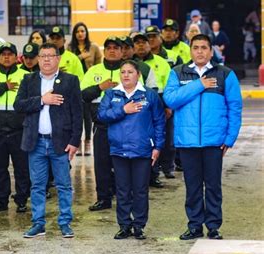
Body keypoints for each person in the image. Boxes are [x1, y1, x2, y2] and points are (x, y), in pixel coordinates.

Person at [163, 34, 242, 240]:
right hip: (188, 141)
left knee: (213, 186)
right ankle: (195, 226)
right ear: (190, 50)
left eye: (204, 47)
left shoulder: (225, 74)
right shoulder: (178, 73)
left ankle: (213, 226)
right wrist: (199, 85)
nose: (200, 51)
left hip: (214, 141)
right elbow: (170, 99)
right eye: (196, 47)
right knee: (193, 187)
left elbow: (235, 107)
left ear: (211, 50)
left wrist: (230, 138)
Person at [14, 43, 82, 238]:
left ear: (58, 58)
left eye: (50, 56)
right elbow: (18, 105)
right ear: (37, 58)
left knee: (63, 184)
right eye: (42, 55)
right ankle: (38, 223)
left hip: (59, 142)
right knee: (36, 185)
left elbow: (77, 113)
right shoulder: (29, 80)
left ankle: (65, 222)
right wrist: (43, 100)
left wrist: (75, 141)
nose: (46, 59)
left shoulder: (70, 81)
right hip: (35, 142)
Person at [98, 60, 165, 240]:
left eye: (130, 72)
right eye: (123, 72)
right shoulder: (111, 94)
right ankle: (124, 225)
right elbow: (102, 115)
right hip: (118, 151)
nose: (126, 75)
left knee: (140, 189)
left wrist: (158, 147)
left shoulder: (149, 95)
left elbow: (159, 122)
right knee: (122, 190)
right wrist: (123, 110)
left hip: (142, 150)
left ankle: (139, 226)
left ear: (138, 75)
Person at [0, 43, 30, 213]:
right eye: (3, 54)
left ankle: (22, 199)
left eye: (10, 54)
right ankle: (1, 200)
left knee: (22, 167)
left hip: (19, 130)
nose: (6, 57)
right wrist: (3, 86)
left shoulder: (26, 76)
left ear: (16, 57)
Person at [81, 36, 123, 211]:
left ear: (122, 51)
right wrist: (100, 87)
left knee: (123, 164)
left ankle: (124, 199)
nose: (112, 50)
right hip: (101, 126)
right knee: (102, 164)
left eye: (116, 47)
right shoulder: (93, 72)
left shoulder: (129, 70)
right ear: (104, 51)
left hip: (124, 127)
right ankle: (103, 198)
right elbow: (82, 95)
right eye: (109, 47)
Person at [132, 32, 173, 187]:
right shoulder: (129, 64)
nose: (141, 45)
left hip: (158, 104)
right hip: (136, 109)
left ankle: (155, 174)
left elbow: (168, 86)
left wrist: (167, 106)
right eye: (137, 43)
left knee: (157, 141)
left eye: (144, 42)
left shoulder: (161, 62)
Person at [68, 22, 102, 156]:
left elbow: (99, 65)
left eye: (82, 31)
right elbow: (69, 61)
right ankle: (77, 142)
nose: (80, 34)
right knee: (76, 114)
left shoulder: (93, 47)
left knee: (87, 115)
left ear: (86, 32)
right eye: (77, 31)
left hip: (88, 84)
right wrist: (81, 57)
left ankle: (88, 141)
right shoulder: (70, 48)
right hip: (74, 85)